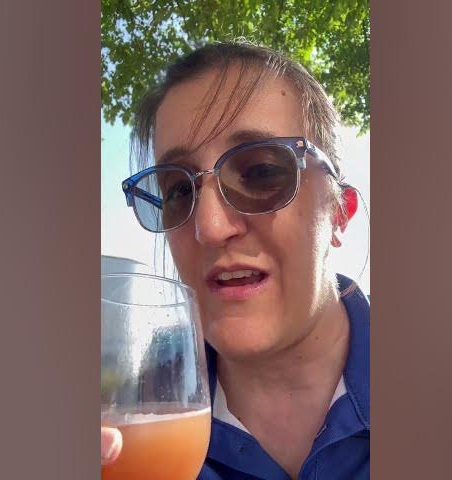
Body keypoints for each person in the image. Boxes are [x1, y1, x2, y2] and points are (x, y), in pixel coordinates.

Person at [105, 41, 370, 479]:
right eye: (179, 190)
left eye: (261, 172)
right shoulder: (131, 432)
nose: (209, 226)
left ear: (340, 213)